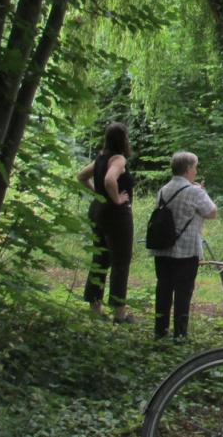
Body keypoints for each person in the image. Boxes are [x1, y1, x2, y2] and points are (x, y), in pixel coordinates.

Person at [149, 152, 218, 340]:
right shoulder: (194, 192)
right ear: (188, 169)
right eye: (195, 167)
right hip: (186, 250)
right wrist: (203, 191)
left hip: (163, 247)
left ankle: (160, 330)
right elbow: (212, 212)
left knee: (163, 288)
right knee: (183, 292)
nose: (195, 171)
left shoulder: (164, 190)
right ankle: (180, 333)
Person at [76, 122, 138, 324]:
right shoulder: (118, 159)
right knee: (121, 262)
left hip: (97, 211)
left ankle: (95, 307)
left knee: (100, 259)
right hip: (115, 215)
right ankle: (119, 313)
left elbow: (81, 176)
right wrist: (116, 199)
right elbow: (111, 180)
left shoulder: (101, 157)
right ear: (124, 139)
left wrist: (99, 195)